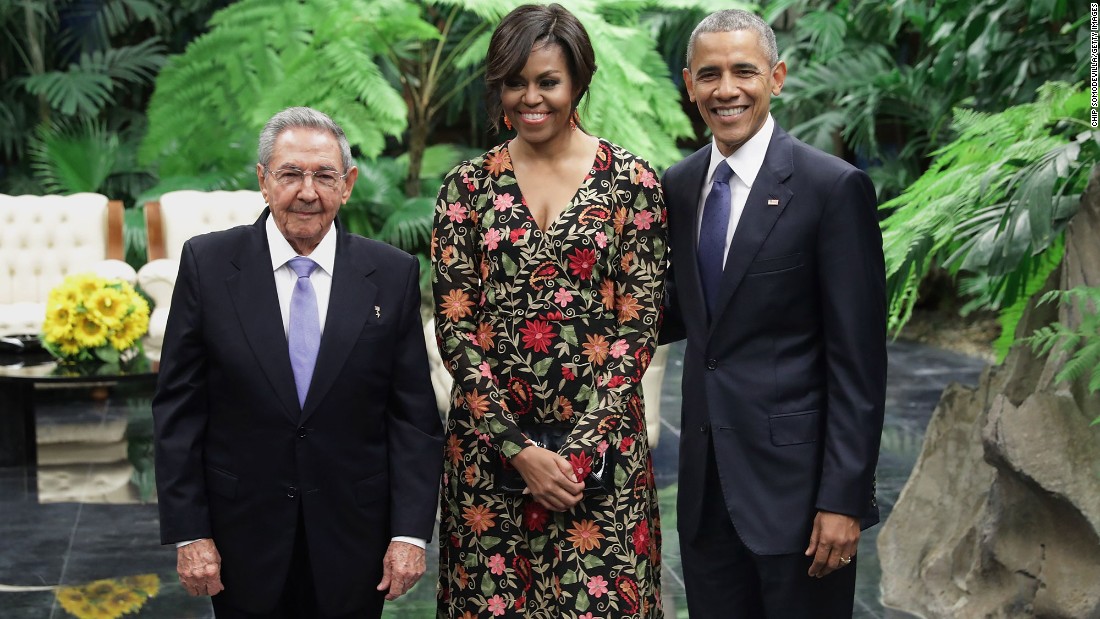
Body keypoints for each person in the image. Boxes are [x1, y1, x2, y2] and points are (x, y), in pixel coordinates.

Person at [153, 106, 444, 618]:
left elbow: (412, 419)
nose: (307, 192)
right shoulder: (209, 265)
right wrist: (190, 532)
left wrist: (409, 534)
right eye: (291, 174)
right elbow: (179, 409)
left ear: (348, 184)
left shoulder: (392, 274)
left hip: (356, 539)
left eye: (324, 176)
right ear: (264, 181)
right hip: (241, 536)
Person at [432, 4, 667, 617]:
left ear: (579, 83)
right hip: (489, 463)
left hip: (602, 465)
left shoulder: (632, 184)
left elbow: (636, 328)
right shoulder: (465, 190)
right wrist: (519, 450)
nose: (530, 98)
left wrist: (574, 458)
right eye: (515, 82)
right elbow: (457, 329)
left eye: (548, 82)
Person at [659, 9, 887, 618]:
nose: (726, 89)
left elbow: (859, 363)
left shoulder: (831, 188)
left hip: (800, 500)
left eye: (744, 71)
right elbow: (677, 316)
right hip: (706, 497)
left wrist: (844, 500)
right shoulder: (676, 189)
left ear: (776, 77)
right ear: (689, 84)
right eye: (709, 74)